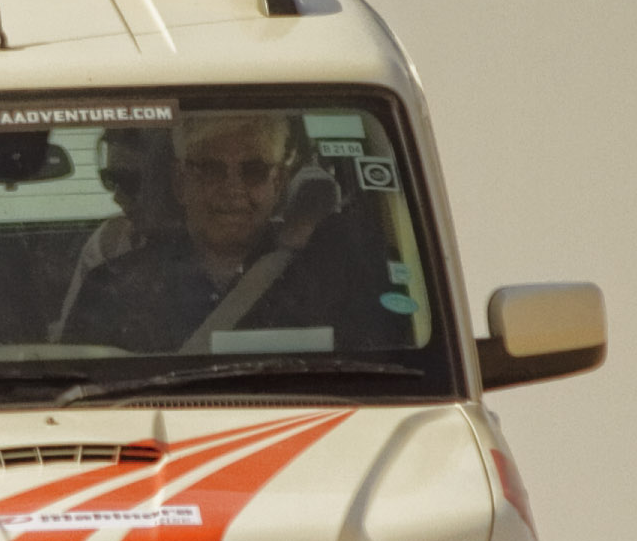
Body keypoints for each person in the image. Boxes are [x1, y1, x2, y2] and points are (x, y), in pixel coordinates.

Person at [56, 109, 414, 356]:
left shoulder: (333, 281)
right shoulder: (114, 290)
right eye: (210, 170)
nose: (233, 189)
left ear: (277, 183)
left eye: (254, 170)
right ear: (180, 182)